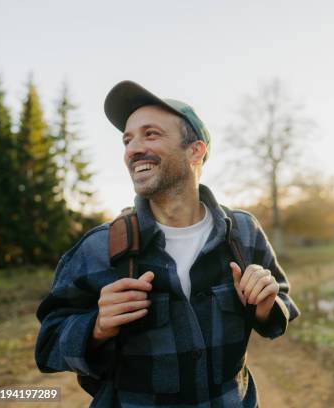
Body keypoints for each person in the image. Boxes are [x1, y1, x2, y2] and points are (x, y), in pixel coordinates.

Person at [35, 80, 300, 407]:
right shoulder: (98, 247)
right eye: (127, 139)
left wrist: (265, 308)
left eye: (151, 134)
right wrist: (97, 326)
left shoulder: (243, 232)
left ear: (195, 150)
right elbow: (48, 345)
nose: (132, 149)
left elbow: (283, 300)